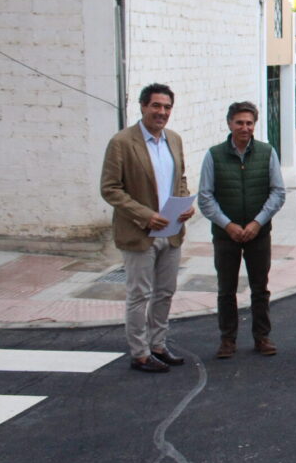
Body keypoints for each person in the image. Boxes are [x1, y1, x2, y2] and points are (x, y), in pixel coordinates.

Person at [100, 83, 195, 373]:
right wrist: (144, 215)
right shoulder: (122, 142)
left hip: (172, 230)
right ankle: (139, 353)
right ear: (142, 106)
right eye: (156, 106)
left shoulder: (174, 140)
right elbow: (110, 189)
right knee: (140, 294)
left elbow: (180, 177)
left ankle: (158, 345)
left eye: (166, 107)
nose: (162, 112)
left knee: (165, 292)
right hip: (140, 233)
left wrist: (184, 203)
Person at [198, 101, 286, 359]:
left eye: (249, 123)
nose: (244, 128)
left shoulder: (267, 152)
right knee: (226, 289)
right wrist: (229, 225)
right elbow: (205, 197)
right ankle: (227, 340)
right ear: (229, 124)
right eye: (239, 122)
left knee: (261, 288)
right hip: (226, 236)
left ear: (254, 125)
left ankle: (262, 337)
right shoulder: (213, 155)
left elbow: (278, 192)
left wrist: (258, 222)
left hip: (259, 234)